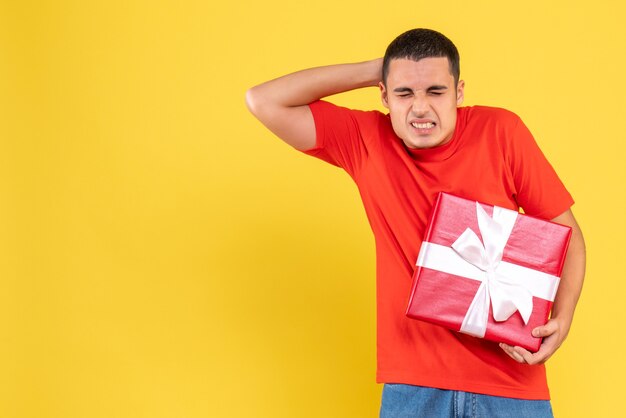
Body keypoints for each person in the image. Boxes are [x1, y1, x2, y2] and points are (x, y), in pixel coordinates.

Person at [246, 28, 586, 417]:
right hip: (413, 384)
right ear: (385, 95)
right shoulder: (365, 140)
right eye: (405, 93)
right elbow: (263, 100)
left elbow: (570, 237)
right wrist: (382, 67)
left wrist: (563, 318)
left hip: (510, 380)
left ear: (459, 92)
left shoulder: (501, 131)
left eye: (435, 92)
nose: (420, 108)